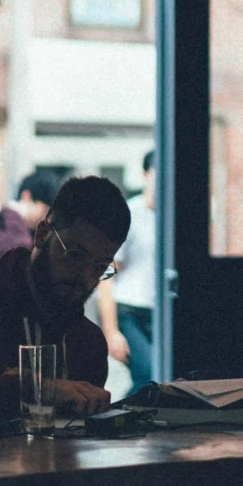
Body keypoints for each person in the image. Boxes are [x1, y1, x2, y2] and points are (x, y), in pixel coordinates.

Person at [0, 175, 131, 419]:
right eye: (75, 255)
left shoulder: (89, 344)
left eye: (100, 266)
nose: (85, 276)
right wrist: (38, 390)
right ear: (42, 234)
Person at [97, 150, 155, 391]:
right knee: (149, 375)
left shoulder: (172, 217)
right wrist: (110, 331)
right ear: (145, 175)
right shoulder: (130, 214)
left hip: (160, 314)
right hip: (129, 313)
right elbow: (107, 273)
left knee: (163, 379)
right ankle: (112, 411)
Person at [0, 170, 59, 261]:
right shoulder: (13, 234)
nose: (46, 218)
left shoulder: (6, 224)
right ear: (26, 196)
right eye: (45, 211)